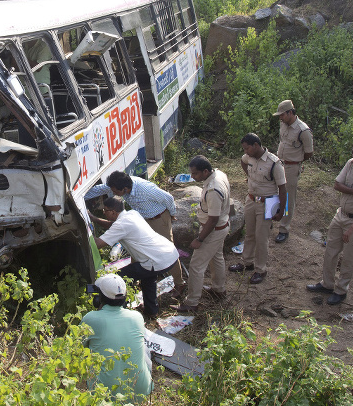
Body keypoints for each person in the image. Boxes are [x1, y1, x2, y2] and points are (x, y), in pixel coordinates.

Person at [86, 171, 184, 291]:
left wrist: (172, 214)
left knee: (164, 249)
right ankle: (135, 283)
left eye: (116, 192)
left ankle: (179, 283)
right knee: (136, 252)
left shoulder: (146, 189)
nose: (114, 193)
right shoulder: (118, 186)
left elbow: (168, 198)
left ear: (125, 189)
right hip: (142, 218)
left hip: (158, 217)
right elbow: (98, 190)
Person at [307, 143, 353, 305]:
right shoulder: (350, 164)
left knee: (349, 257)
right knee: (330, 251)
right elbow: (337, 184)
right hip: (340, 215)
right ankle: (327, 284)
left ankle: (341, 290)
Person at [94, 197, 180, 317]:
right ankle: (151, 311)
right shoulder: (132, 214)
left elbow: (97, 244)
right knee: (148, 278)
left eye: (105, 210)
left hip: (157, 260)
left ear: (113, 212)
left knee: (117, 279)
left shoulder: (121, 224)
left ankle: (119, 313)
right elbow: (112, 225)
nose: (104, 212)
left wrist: (87, 231)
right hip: (169, 253)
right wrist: (93, 218)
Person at [82, 273, 153, 400]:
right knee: (145, 349)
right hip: (139, 394)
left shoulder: (91, 318)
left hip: (104, 396)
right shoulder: (137, 317)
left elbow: (77, 348)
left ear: (99, 299)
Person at [228, 133, 286, 284]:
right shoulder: (249, 158)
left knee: (262, 237)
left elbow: (283, 188)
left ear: (255, 145)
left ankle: (261, 269)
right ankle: (247, 262)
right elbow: (243, 161)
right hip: (251, 200)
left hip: (268, 203)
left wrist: (281, 211)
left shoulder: (274, 163)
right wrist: (249, 176)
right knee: (250, 234)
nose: (245, 151)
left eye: (247, 148)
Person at [176, 155, 230, 313]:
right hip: (222, 226)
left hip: (212, 230)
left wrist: (200, 239)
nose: (192, 177)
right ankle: (219, 290)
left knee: (196, 265)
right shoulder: (219, 174)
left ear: (205, 171)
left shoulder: (213, 189)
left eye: (195, 174)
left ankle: (192, 302)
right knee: (216, 257)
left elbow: (213, 219)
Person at [273, 100, 313, 244]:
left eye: (282, 115)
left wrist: (297, 161)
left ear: (290, 112)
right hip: (279, 163)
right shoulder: (283, 124)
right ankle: (272, 218)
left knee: (288, 197)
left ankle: (284, 229)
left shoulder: (303, 131)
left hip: (291, 167)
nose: (280, 118)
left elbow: (309, 152)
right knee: (274, 191)